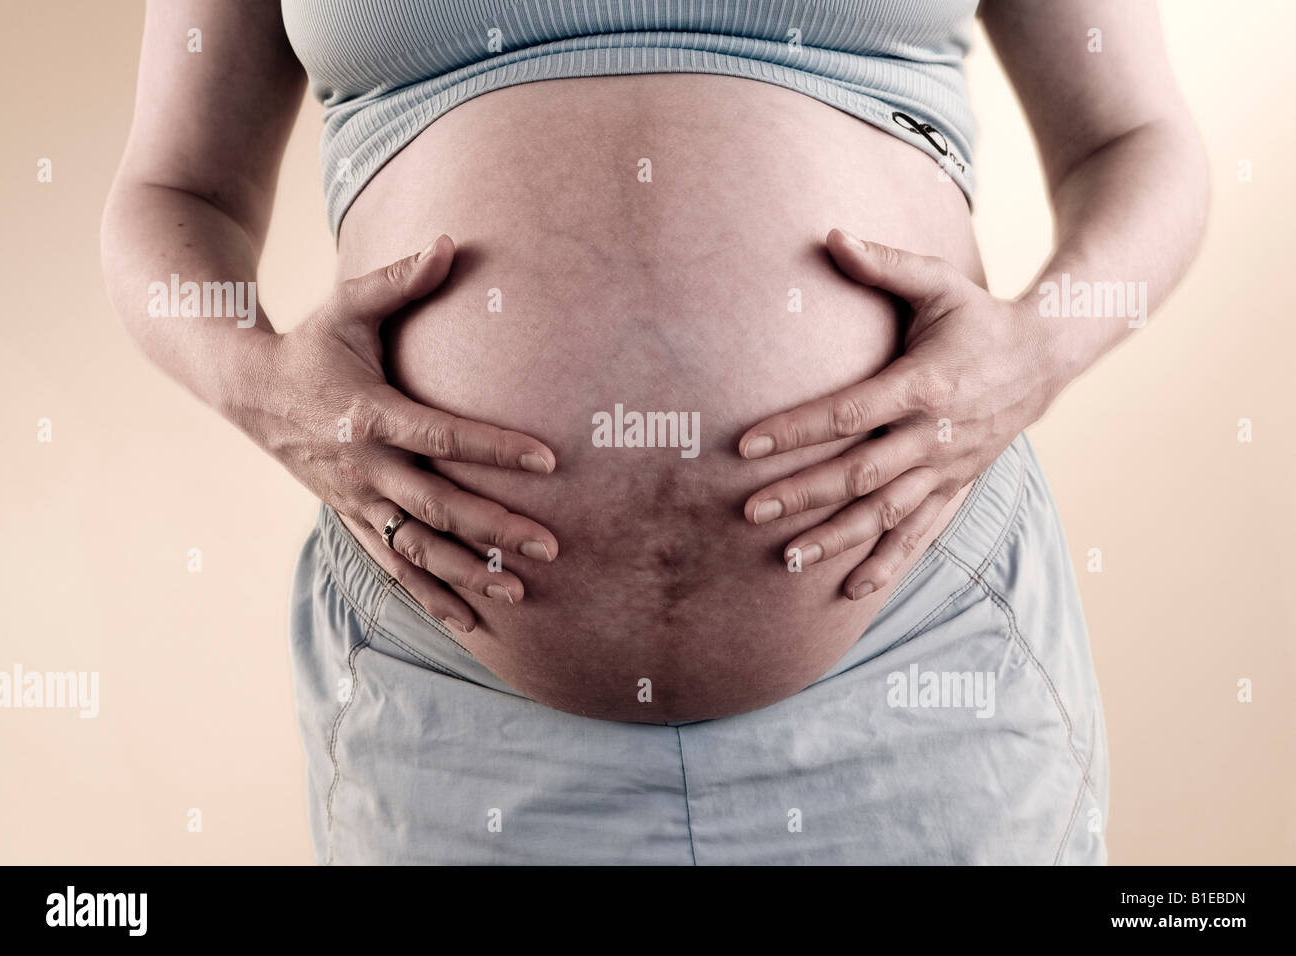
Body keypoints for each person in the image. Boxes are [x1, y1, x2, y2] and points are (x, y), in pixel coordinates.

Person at [101, 0, 1207, 863]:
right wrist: (264, 389)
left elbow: (1136, 141)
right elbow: (173, 191)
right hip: (453, 700)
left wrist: (1036, 353)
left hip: (914, 651)